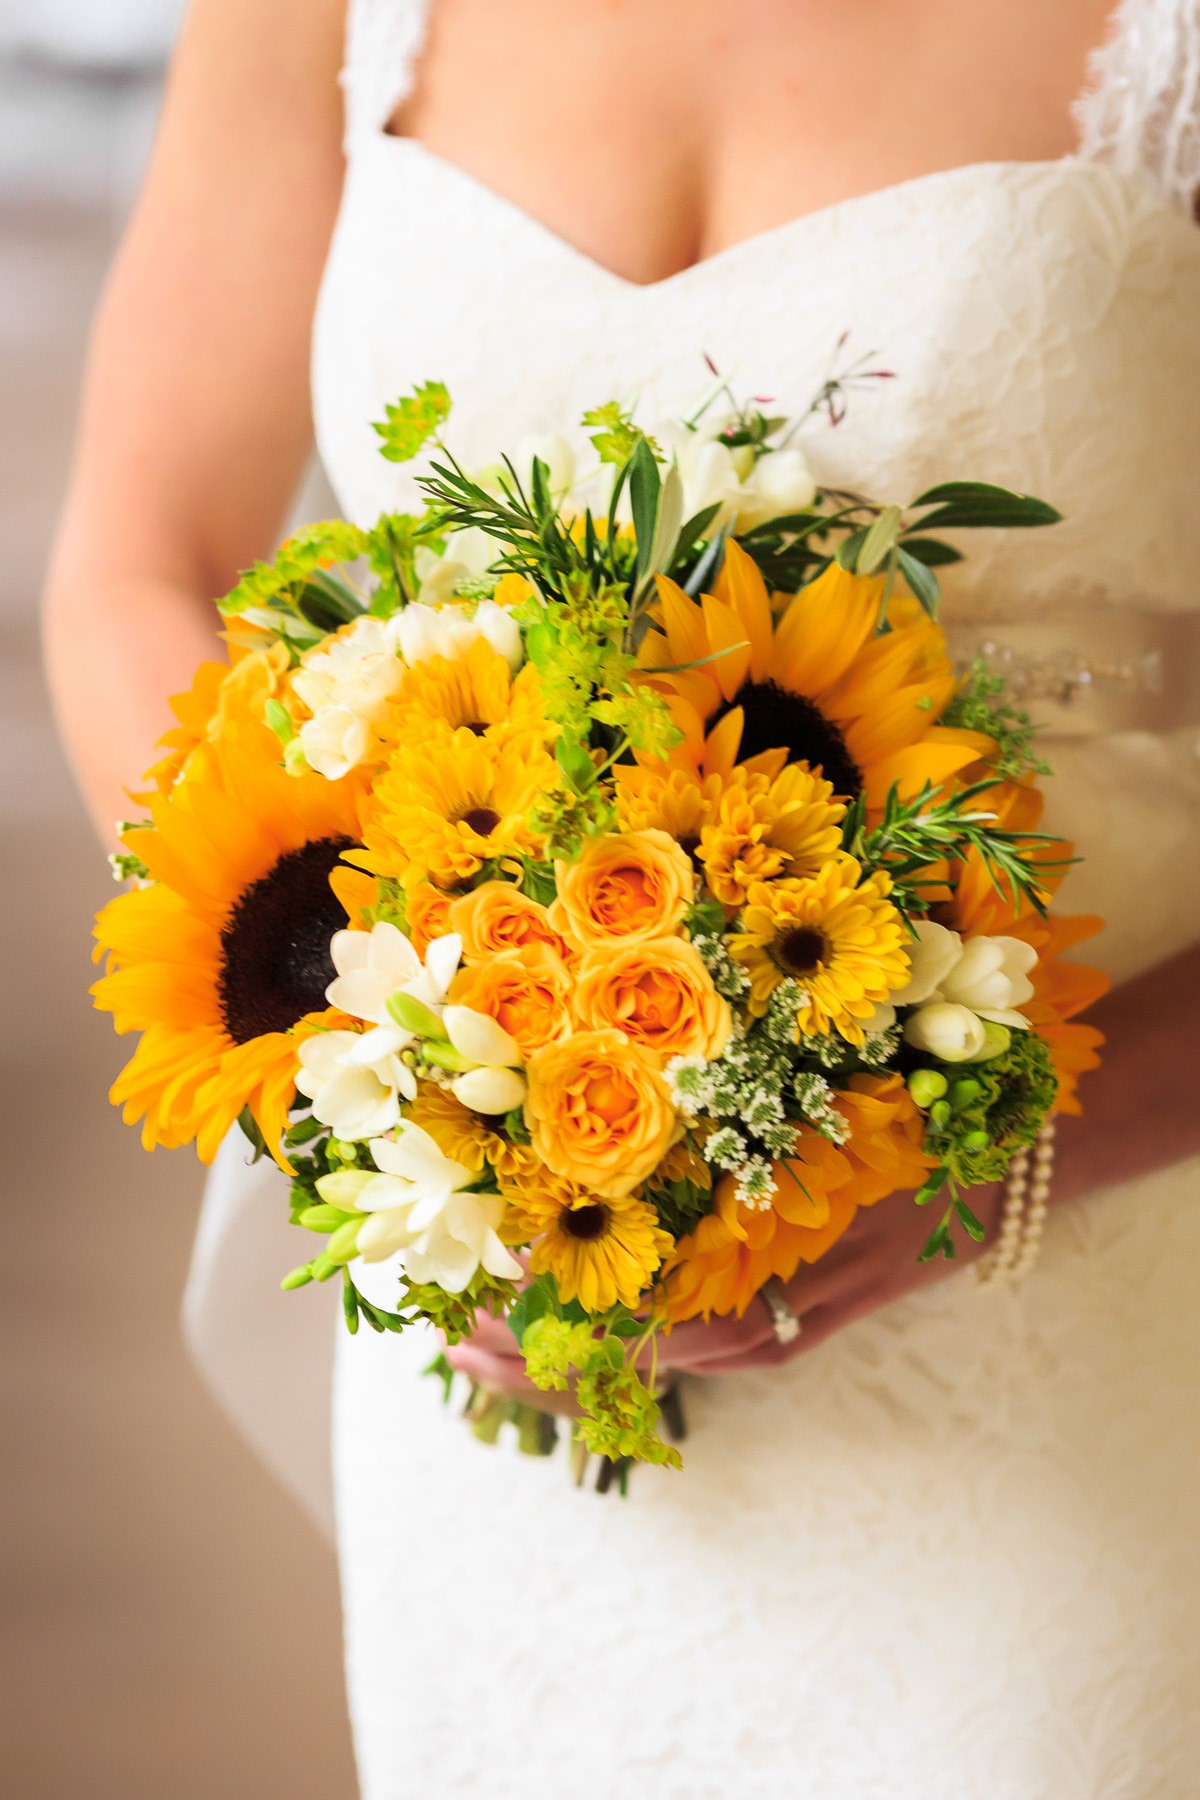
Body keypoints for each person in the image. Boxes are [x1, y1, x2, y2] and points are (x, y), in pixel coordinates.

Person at [44, 1, 1200, 1792]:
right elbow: (139, 564)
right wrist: (375, 1108)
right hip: (502, 1348)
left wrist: (1009, 1157)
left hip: (1092, 1327)